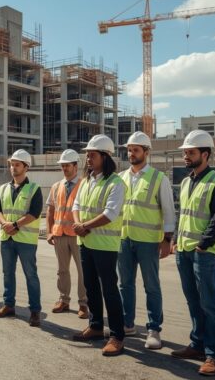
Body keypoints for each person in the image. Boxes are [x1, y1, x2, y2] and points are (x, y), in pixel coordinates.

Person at [170, 130, 215, 376]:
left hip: (205, 253)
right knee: (193, 300)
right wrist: (176, 240)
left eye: (191, 152)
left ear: (205, 154)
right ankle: (197, 345)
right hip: (184, 250)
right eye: (185, 152)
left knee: (210, 303)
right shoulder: (187, 182)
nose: (186, 156)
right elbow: (184, 215)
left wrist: (203, 244)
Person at [118, 132, 176, 350]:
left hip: (149, 241)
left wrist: (167, 240)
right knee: (125, 284)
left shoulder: (158, 178)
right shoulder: (121, 177)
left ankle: (154, 329)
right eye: (129, 149)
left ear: (146, 152)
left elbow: (169, 212)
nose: (131, 153)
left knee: (151, 286)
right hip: (124, 239)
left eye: (136, 149)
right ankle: (127, 324)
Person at [70, 134, 127, 357]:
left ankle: (116, 335)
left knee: (109, 290)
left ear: (105, 156)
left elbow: (110, 213)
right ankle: (95, 326)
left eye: (92, 155)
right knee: (90, 287)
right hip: (85, 241)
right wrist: (77, 224)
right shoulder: (86, 181)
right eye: (87, 155)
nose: (87, 159)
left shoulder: (116, 183)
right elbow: (76, 204)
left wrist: (84, 225)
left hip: (105, 245)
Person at [0, 149, 43, 327]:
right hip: (7, 238)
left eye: (17, 165)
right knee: (7, 273)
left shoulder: (34, 189)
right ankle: (8, 305)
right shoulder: (4, 188)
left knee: (31, 275)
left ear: (26, 167)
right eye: (12, 164)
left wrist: (14, 225)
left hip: (26, 241)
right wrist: (5, 224)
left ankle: (35, 311)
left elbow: (34, 213)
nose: (13, 168)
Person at [45, 149, 89, 319]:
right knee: (62, 270)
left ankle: (84, 304)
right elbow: (50, 210)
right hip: (60, 234)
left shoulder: (85, 185)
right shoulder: (56, 186)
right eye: (62, 166)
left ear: (76, 166)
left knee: (82, 271)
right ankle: (63, 300)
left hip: (79, 235)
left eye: (67, 165)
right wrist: (49, 232)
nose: (64, 168)